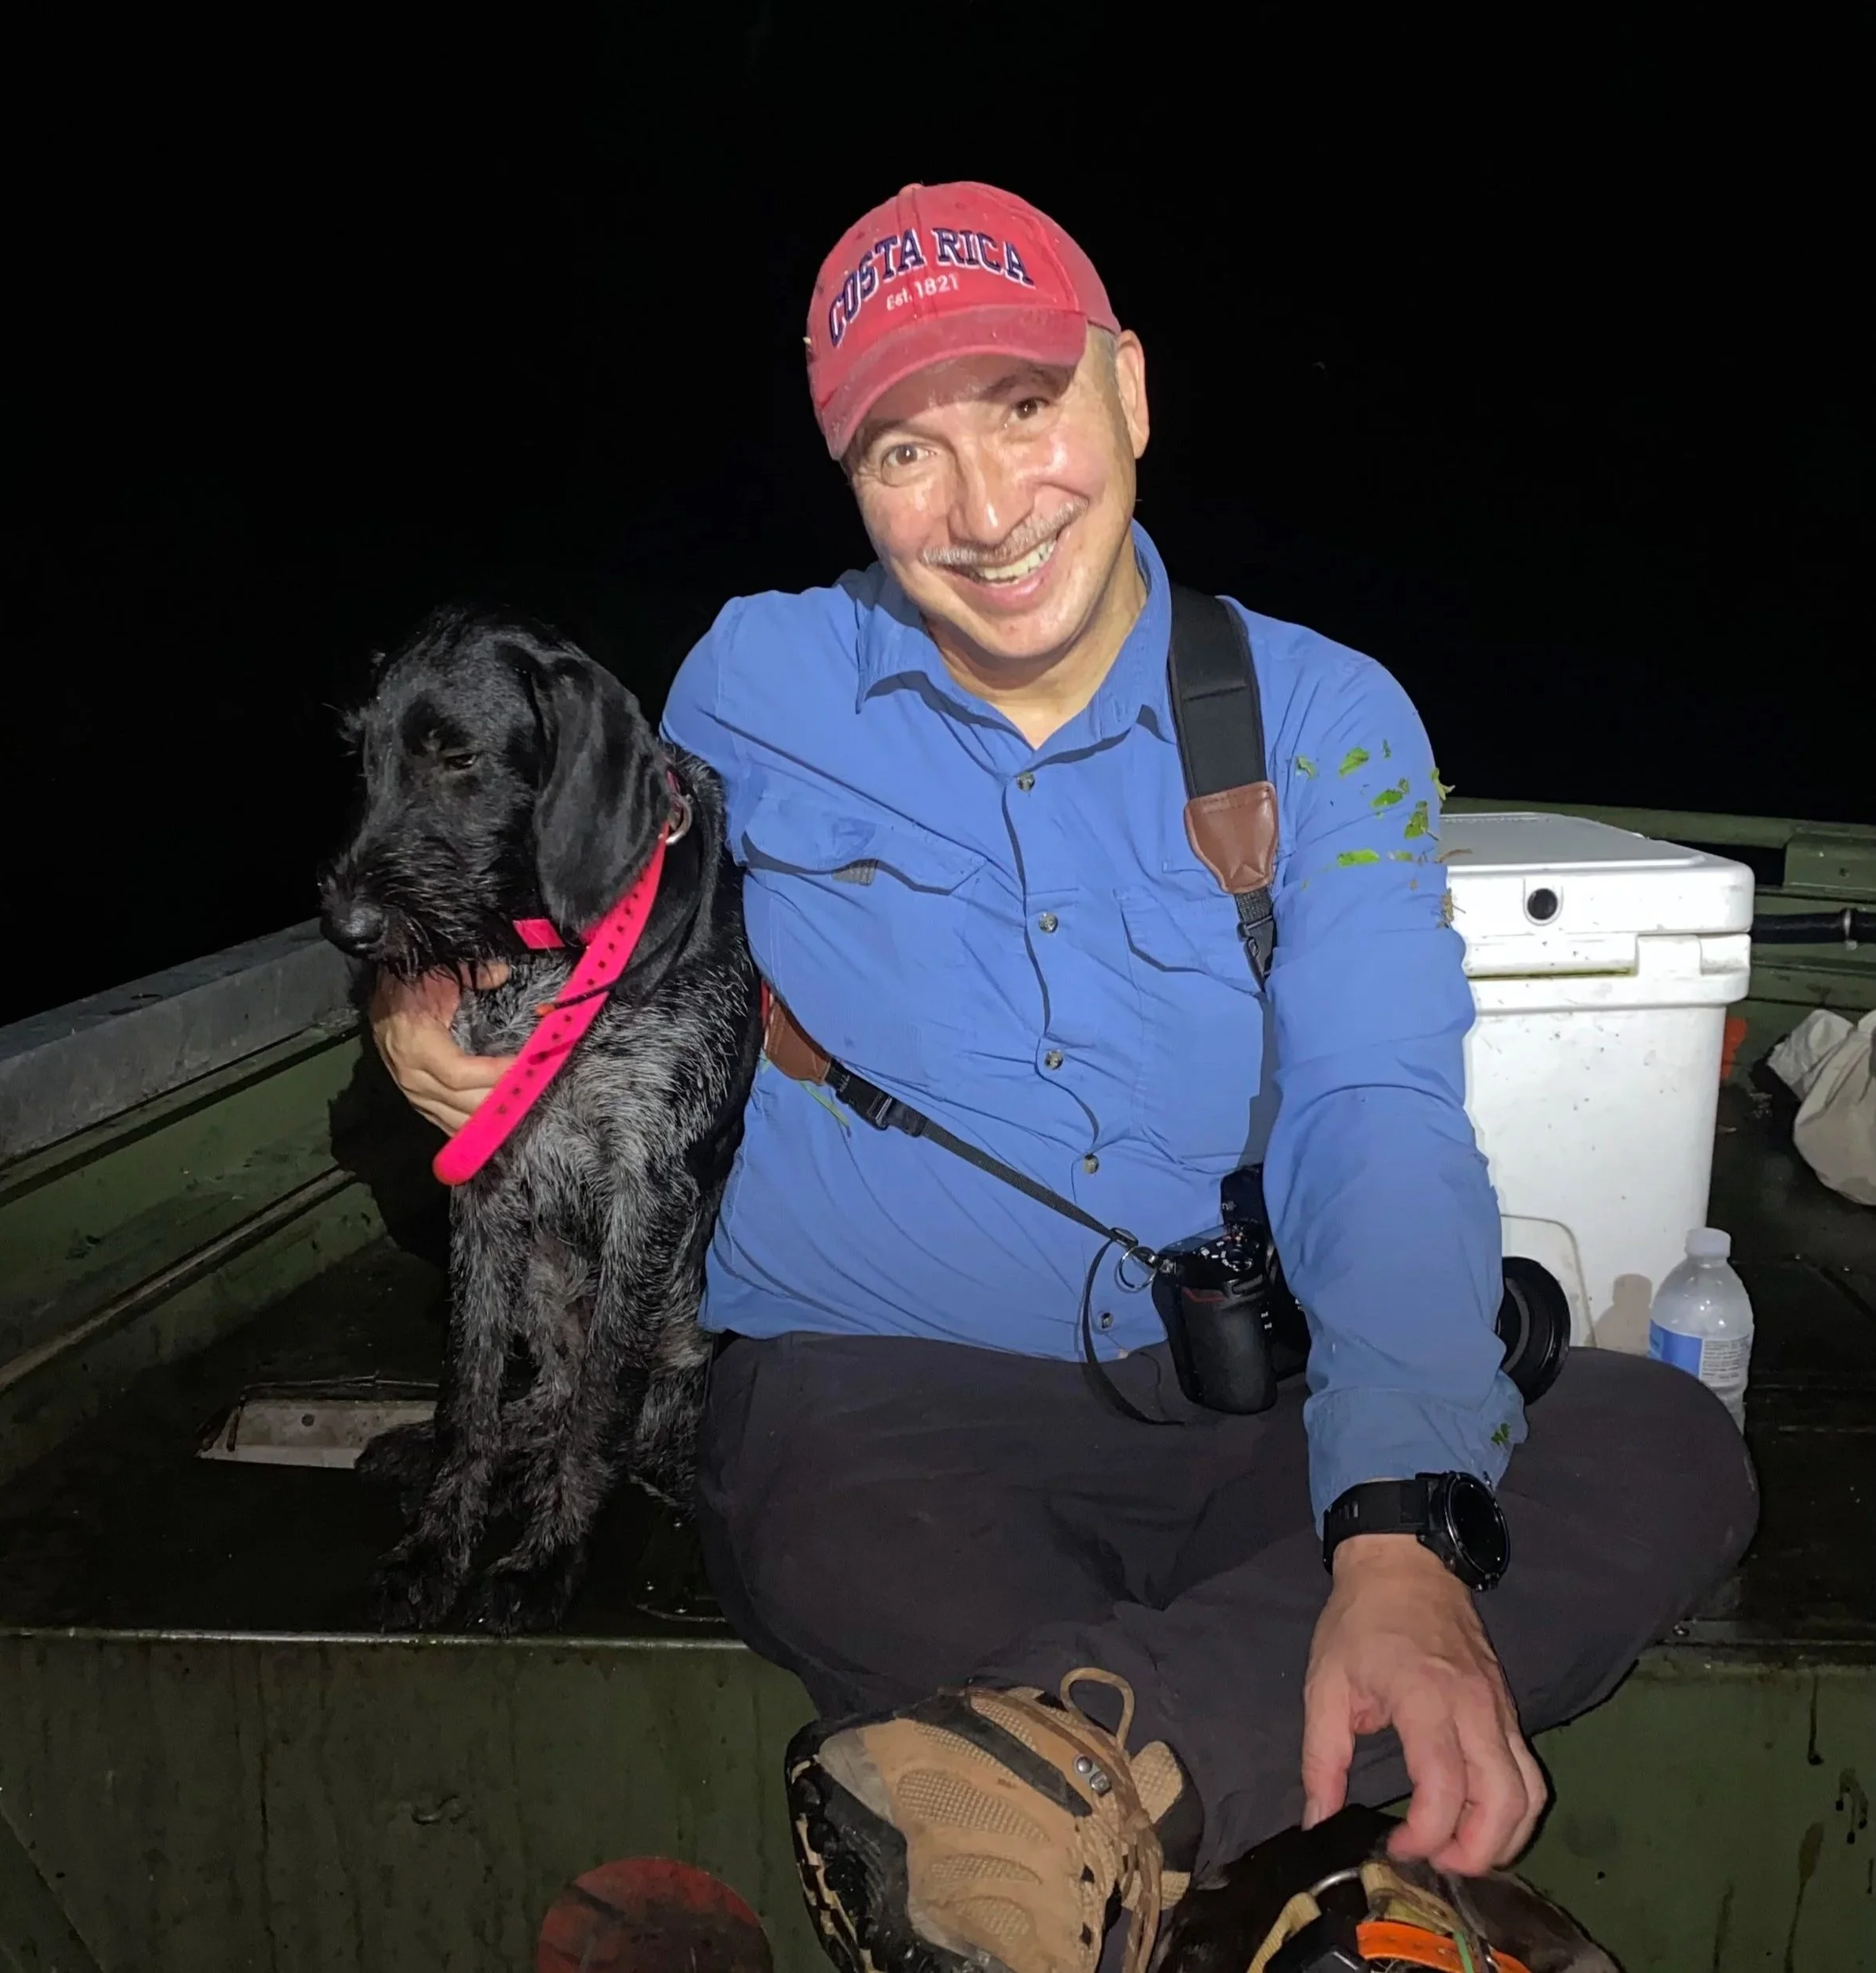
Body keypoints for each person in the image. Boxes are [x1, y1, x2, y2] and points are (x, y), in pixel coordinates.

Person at [371, 181, 1758, 1972]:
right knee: (833, 1505)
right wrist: (445, 1013)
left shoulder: (1326, 717)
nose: (982, 507)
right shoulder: (750, 680)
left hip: (1266, 1401)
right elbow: (585, 912)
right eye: (901, 450)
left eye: (1023, 409)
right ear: (847, 479)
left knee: (1655, 1437)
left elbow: (1371, 1108)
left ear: (1127, 391)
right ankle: (1327, 1891)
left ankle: (1087, 1787)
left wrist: (1396, 1531)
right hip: (881, 1418)